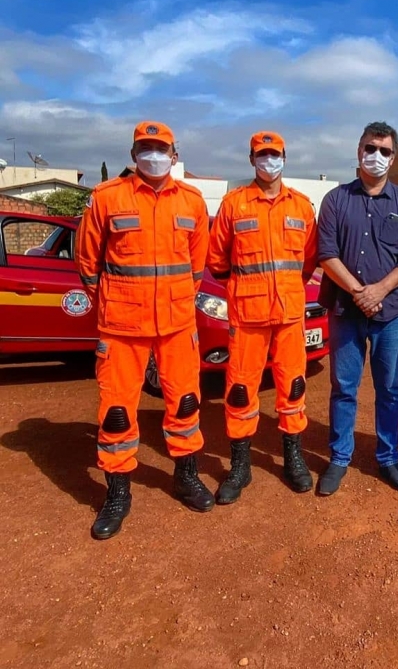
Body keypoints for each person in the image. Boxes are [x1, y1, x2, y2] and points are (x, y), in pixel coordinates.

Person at [76, 121, 215, 540]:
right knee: (117, 412)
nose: (152, 154)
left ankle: (185, 476)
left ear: (174, 154)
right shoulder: (106, 197)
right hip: (121, 327)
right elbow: (87, 264)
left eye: (160, 148)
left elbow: (196, 266)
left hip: (176, 325)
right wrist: (118, 305)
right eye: (145, 147)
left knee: (185, 404)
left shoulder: (191, 202)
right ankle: (117, 494)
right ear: (134, 153)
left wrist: (173, 301)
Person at [207, 132, 318, 502]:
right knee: (240, 391)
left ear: (285, 157)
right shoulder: (233, 205)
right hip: (248, 315)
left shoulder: (302, 207)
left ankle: (293, 458)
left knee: (293, 388)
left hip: (288, 315)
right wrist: (248, 289)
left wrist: (285, 287)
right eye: (261, 155)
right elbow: (217, 260)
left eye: (274, 155)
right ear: (251, 159)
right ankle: (240, 467)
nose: (268, 161)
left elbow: (308, 260)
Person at [316, 121, 398, 496]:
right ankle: (339, 457)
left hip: (390, 313)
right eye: (369, 148)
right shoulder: (335, 200)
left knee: (389, 389)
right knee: (343, 388)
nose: (375, 156)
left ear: (393, 158)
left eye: (383, 150)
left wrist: (377, 291)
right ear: (358, 150)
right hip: (346, 311)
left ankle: (388, 457)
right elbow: (326, 253)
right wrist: (359, 292)